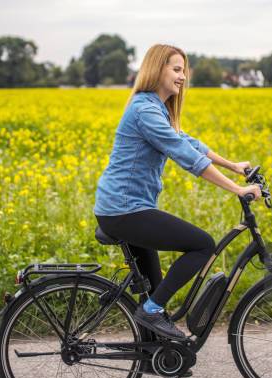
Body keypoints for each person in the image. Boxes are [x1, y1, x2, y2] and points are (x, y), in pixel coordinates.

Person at [94, 44, 261, 339]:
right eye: (176, 69)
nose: (182, 76)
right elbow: (184, 154)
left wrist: (233, 165)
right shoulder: (145, 109)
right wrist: (237, 189)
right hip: (125, 210)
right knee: (202, 245)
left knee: (154, 292)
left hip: (127, 208)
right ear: (157, 69)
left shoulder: (154, 107)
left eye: (184, 70)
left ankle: (153, 352)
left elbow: (188, 141)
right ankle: (150, 312)